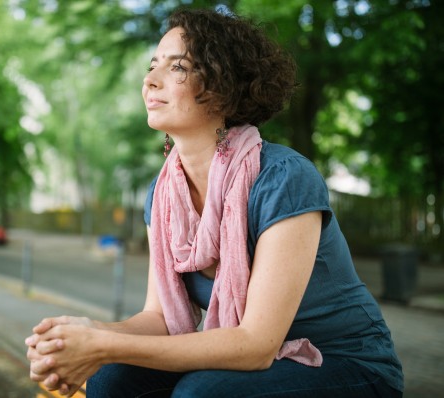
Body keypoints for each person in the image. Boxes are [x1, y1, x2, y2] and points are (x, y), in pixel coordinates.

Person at [25, 8, 404, 397]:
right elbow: (158, 317)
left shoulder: (283, 178)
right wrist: (82, 336)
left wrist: (105, 346)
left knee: (203, 393)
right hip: (260, 361)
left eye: (177, 68)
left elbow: (256, 345)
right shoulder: (163, 194)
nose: (150, 81)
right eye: (153, 65)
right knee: (112, 379)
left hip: (347, 363)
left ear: (221, 84)